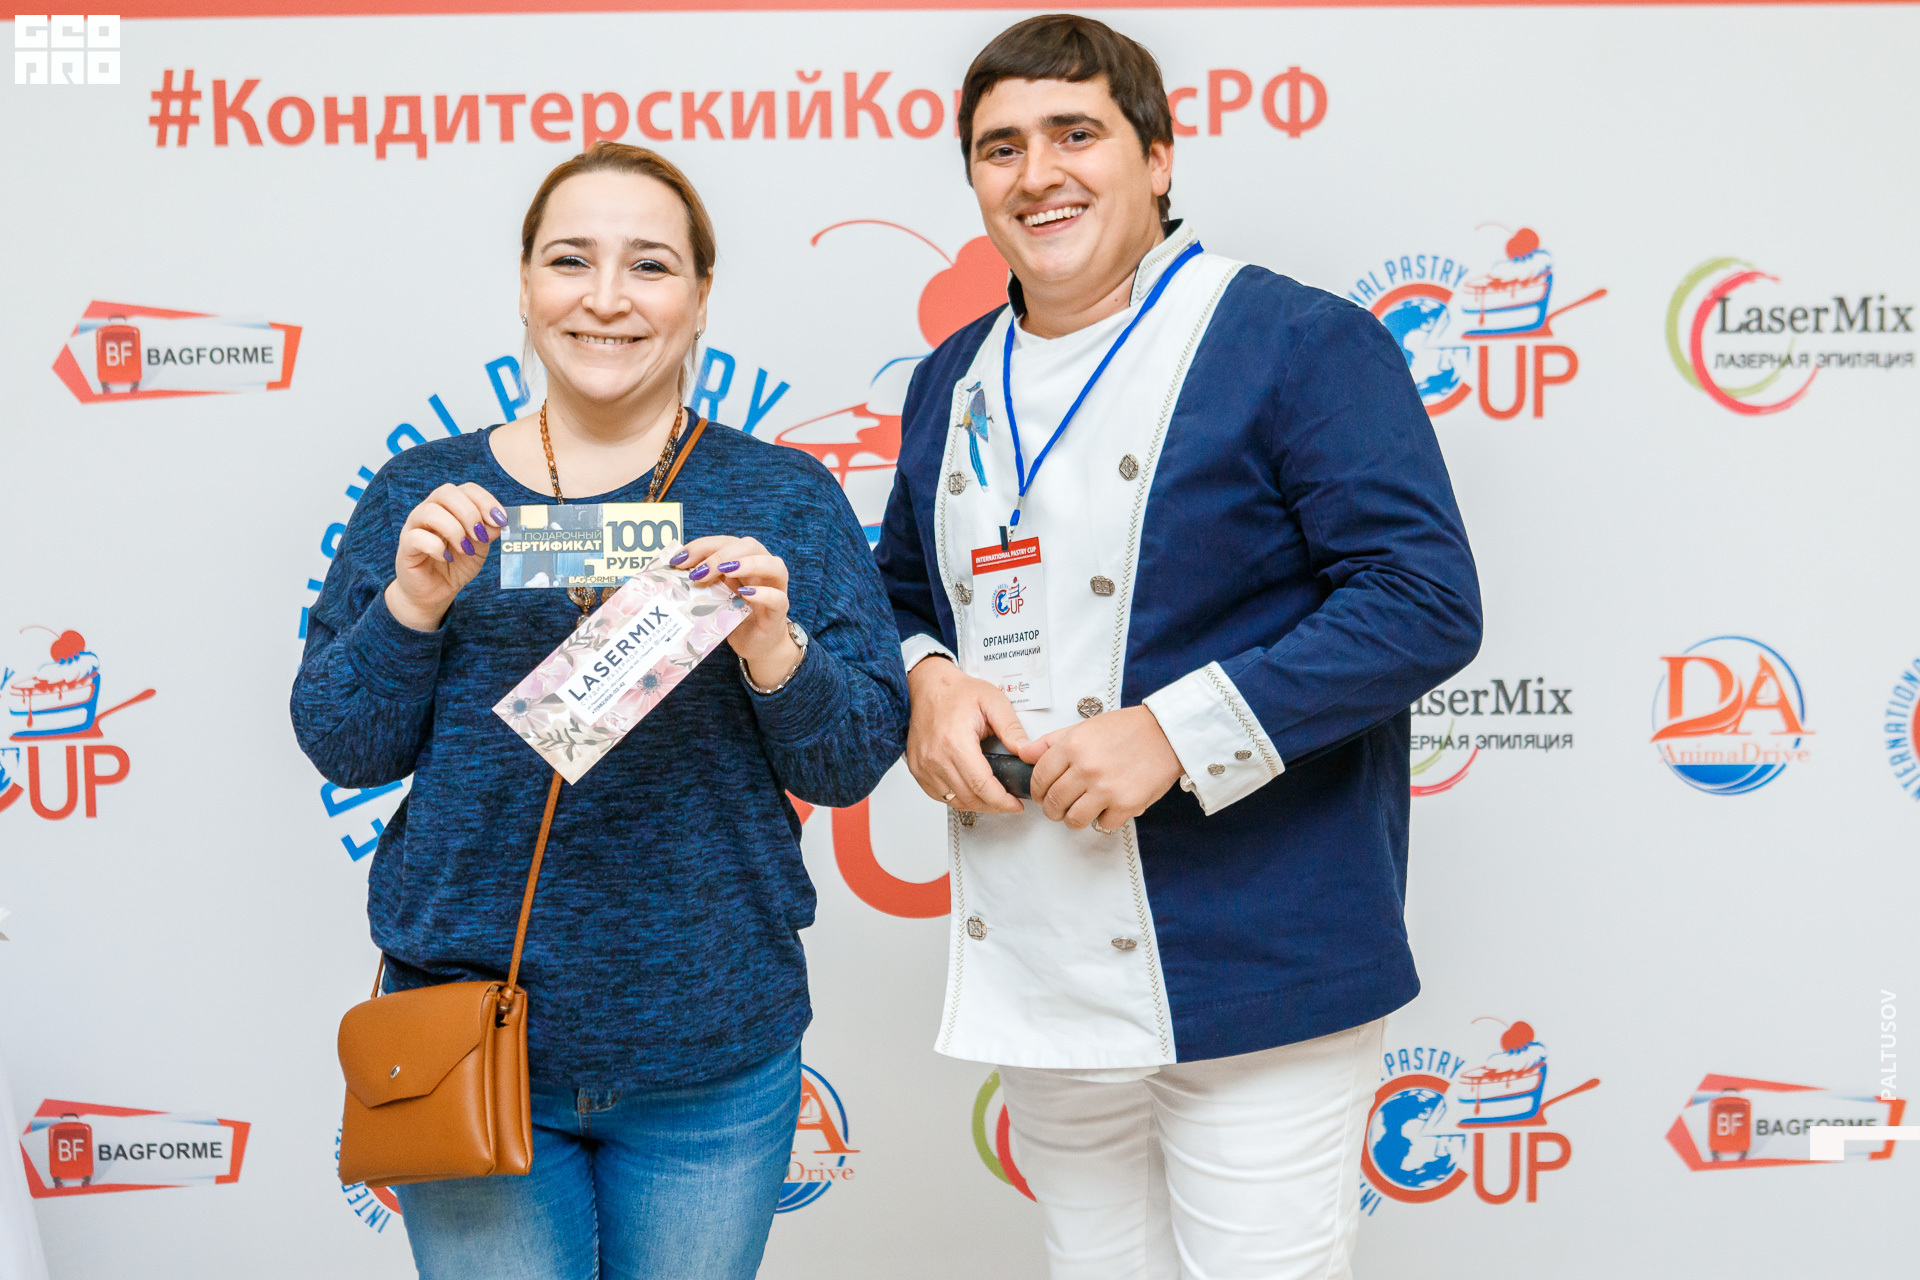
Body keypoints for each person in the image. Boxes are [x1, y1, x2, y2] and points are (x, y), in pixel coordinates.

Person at [873, 15, 1482, 1279]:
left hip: (1258, 944)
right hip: (1041, 941)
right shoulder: (950, 380)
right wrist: (927, 674)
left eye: (1075, 134)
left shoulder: (1294, 340)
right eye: (999, 148)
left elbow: (1421, 596)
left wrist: (1174, 731)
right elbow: (897, 593)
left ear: (1158, 156)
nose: (1036, 173)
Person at [292, 142, 908, 1280]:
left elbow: (852, 757)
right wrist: (411, 607)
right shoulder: (423, 495)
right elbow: (343, 740)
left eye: (650, 265)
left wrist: (774, 649)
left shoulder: (782, 496)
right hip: (466, 1035)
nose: (607, 298)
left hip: (712, 1050)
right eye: (571, 260)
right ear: (525, 286)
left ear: (701, 297)